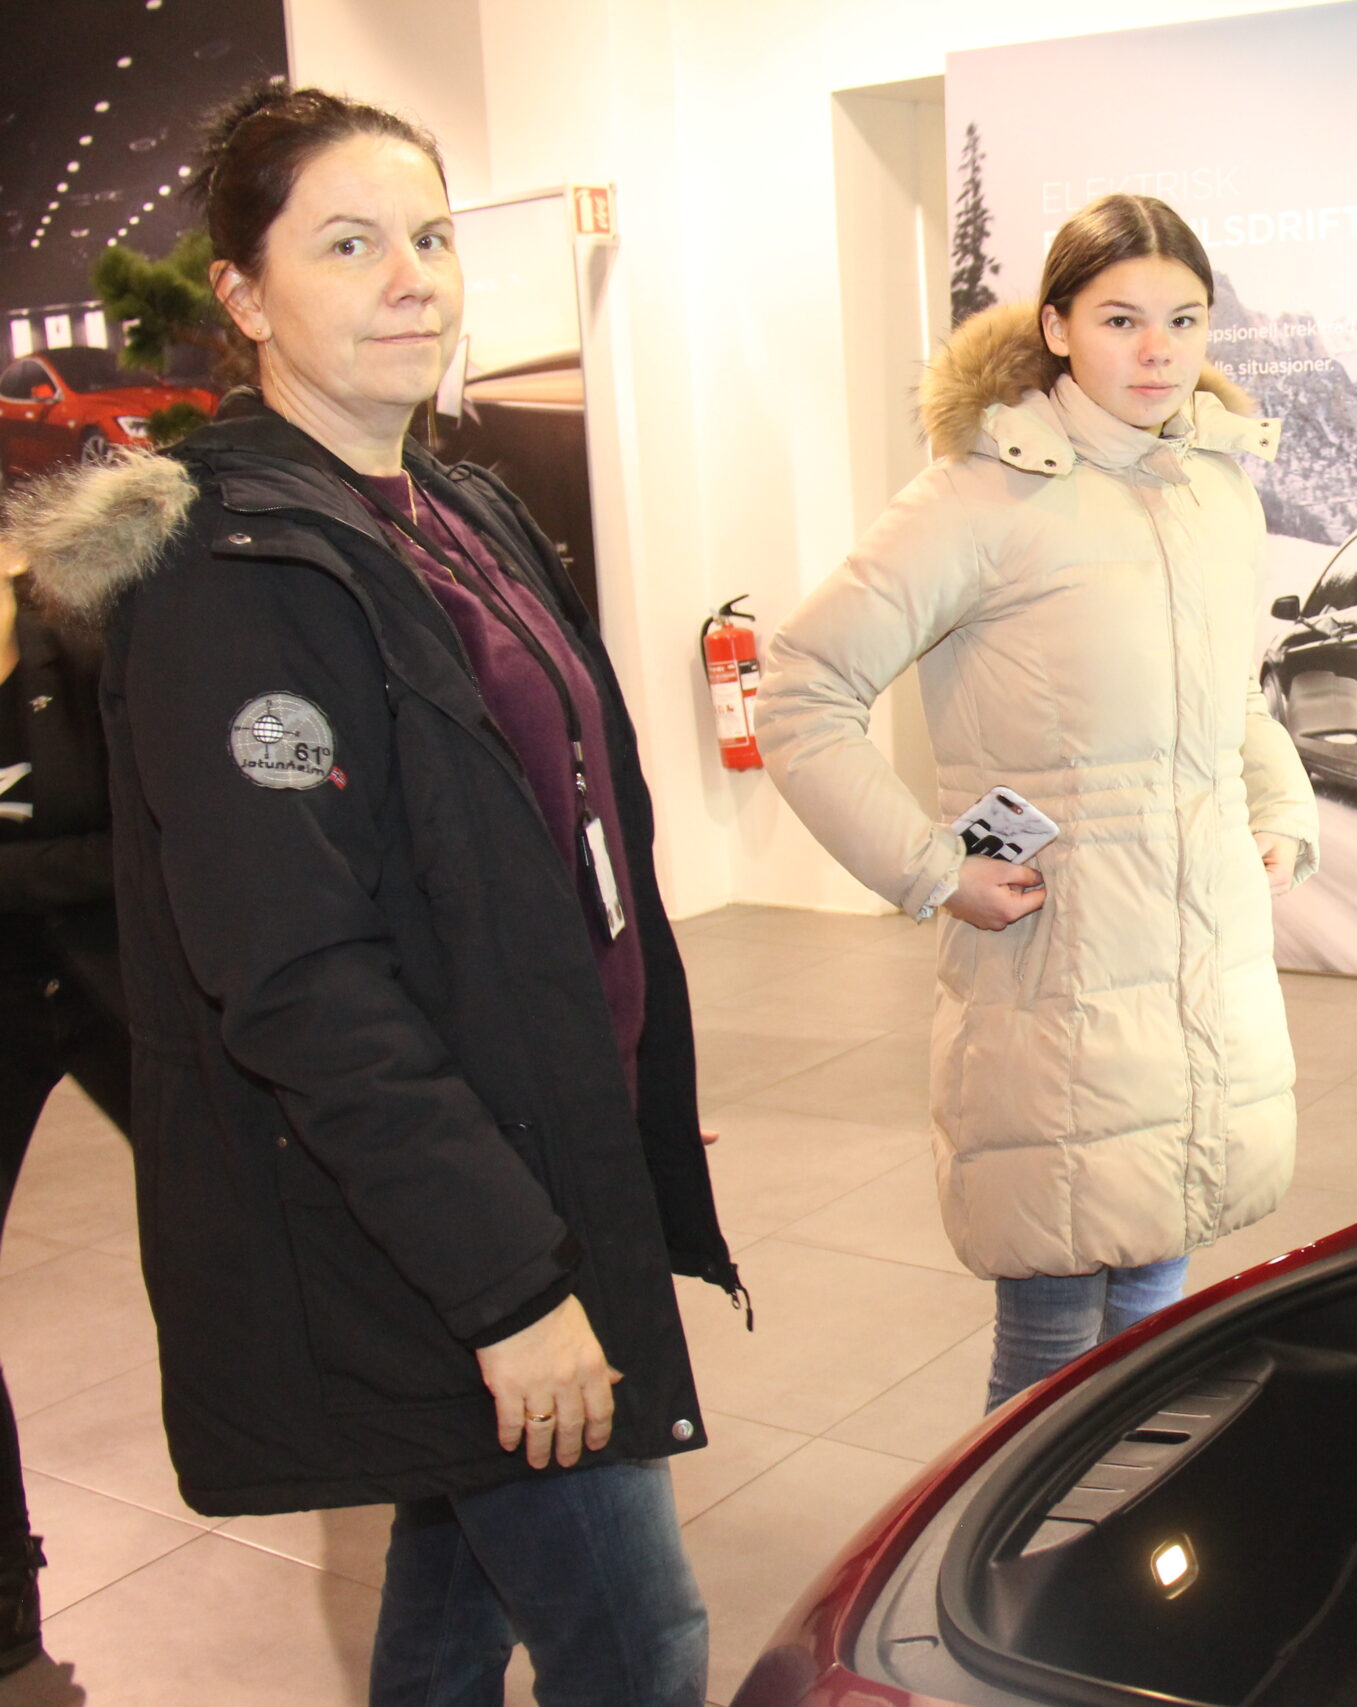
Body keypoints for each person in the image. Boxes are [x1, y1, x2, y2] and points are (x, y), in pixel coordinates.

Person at [2, 87, 738, 1706]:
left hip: (525, 1147)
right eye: (348, 244)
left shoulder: (454, 508)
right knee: (640, 1642)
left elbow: (561, 847)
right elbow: (294, 972)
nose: (413, 277)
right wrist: (508, 1284)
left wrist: (615, 1091)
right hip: (431, 1214)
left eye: (430, 235)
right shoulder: (228, 573)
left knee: (456, 1602)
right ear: (246, 296)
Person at [758, 194, 1319, 1411]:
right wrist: (930, 868)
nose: (1158, 351)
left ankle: (1115, 1528)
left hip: (1197, 959)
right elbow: (800, 689)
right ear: (1056, 327)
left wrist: (1280, 813)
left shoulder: (1216, 487)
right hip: (1058, 958)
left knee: (1155, 1320)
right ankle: (1011, 1533)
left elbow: (1233, 694)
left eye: (1183, 319)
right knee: (1053, 1342)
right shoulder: (979, 495)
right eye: (1120, 319)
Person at [0, 546, 129, 1673]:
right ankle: (6, 1603)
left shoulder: (79, 629)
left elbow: (157, 830)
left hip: (121, 985)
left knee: (284, 1221)